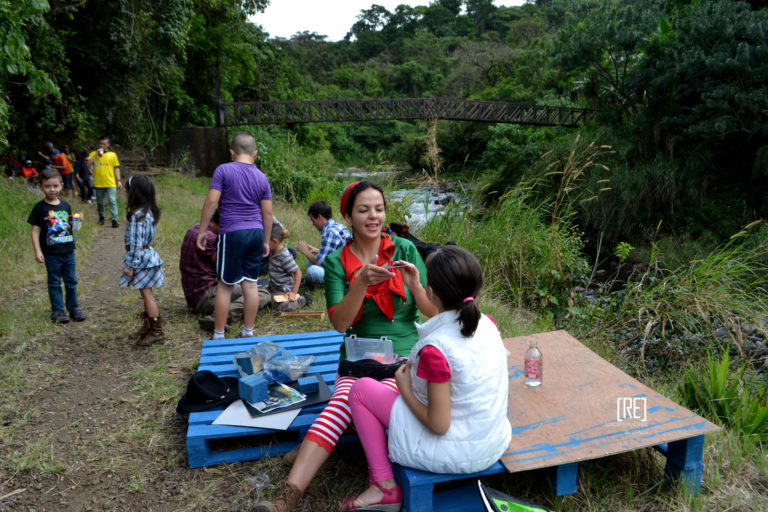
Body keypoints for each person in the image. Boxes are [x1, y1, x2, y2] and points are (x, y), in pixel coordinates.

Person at [254, 181, 438, 512]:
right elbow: (340, 323)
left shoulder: (406, 250)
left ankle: (324, 455)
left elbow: (431, 312)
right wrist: (361, 284)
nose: (373, 217)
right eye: (364, 210)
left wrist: (414, 285)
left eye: (379, 209)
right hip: (357, 356)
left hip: (403, 356)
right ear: (348, 216)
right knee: (342, 402)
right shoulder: (339, 262)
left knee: (363, 402)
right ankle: (287, 498)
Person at [341, 246, 511, 510]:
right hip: (492, 440)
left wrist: (404, 387)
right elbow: (446, 319)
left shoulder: (435, 351)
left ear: (433, 291)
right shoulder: (486, 323)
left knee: (361, 390)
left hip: (457, 451)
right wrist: (416, 285)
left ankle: (384, 486)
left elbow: (438, 424)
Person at [196, 131, 273, 340]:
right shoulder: (262, 177)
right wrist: (266, 240)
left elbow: (211, 201)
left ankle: (219, 334)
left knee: (225, 284)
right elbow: (267, 212)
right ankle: (248, 331)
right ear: (255, 154)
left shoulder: (223, 170)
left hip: (232, 233)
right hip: (256, 233)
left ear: (231, 152)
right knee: (250, 283)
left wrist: (202, 230)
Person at [27, 169, 87, 324]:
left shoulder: (66, 205)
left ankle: (73, 308)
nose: (52, 189)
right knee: (54, 282)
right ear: (41, 187)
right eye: (47, 186)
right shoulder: (39, 208)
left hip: (68, 252)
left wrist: (78, 221)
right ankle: (58, 311)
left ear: (61, 186)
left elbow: (70, 227)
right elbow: (35, 230)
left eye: (55, 186)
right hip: (51, 253)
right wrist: (38, 251)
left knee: (71, 280)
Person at [120, 175, 165, 346]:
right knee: (146, 294)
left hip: (141, 258)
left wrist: (131, 265)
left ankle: (156, 331)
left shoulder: (138, 216)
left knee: (147, 295)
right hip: (148, 256)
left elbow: (136, 243)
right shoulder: (149, 212)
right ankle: (148, 326)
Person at [296, 200, 351, 287]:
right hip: (346, 266)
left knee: (312, 271)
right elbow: (337, 251)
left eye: (312, 220)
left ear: (320, 217)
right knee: (309, 263)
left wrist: (306, 252)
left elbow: (320, 264)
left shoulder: (330, 233)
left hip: (343, 274)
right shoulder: (339, 226)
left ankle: (325, 285)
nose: (313, 224)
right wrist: (316, 250)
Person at [267, 224, 312, 312]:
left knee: (279, 308)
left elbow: (297, 272)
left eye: (265, 242)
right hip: (273, 287)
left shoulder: (284, 256)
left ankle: (302, 300)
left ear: (274, 241)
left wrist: (293, 293)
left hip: (283, 289)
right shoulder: (272, 251)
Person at [88, 136, 122, 227]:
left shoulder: (112, 155)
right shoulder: (93, 154)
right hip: (98, 183)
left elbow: (116, 168)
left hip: (110, 183)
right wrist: (96, 154)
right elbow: (87, 164)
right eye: (100, 144)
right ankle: (101, 217)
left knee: (112, 200)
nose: (102, 145)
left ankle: (114, 220)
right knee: (100, 202)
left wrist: (118, 180)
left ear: (108, 145)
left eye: (104, 144)